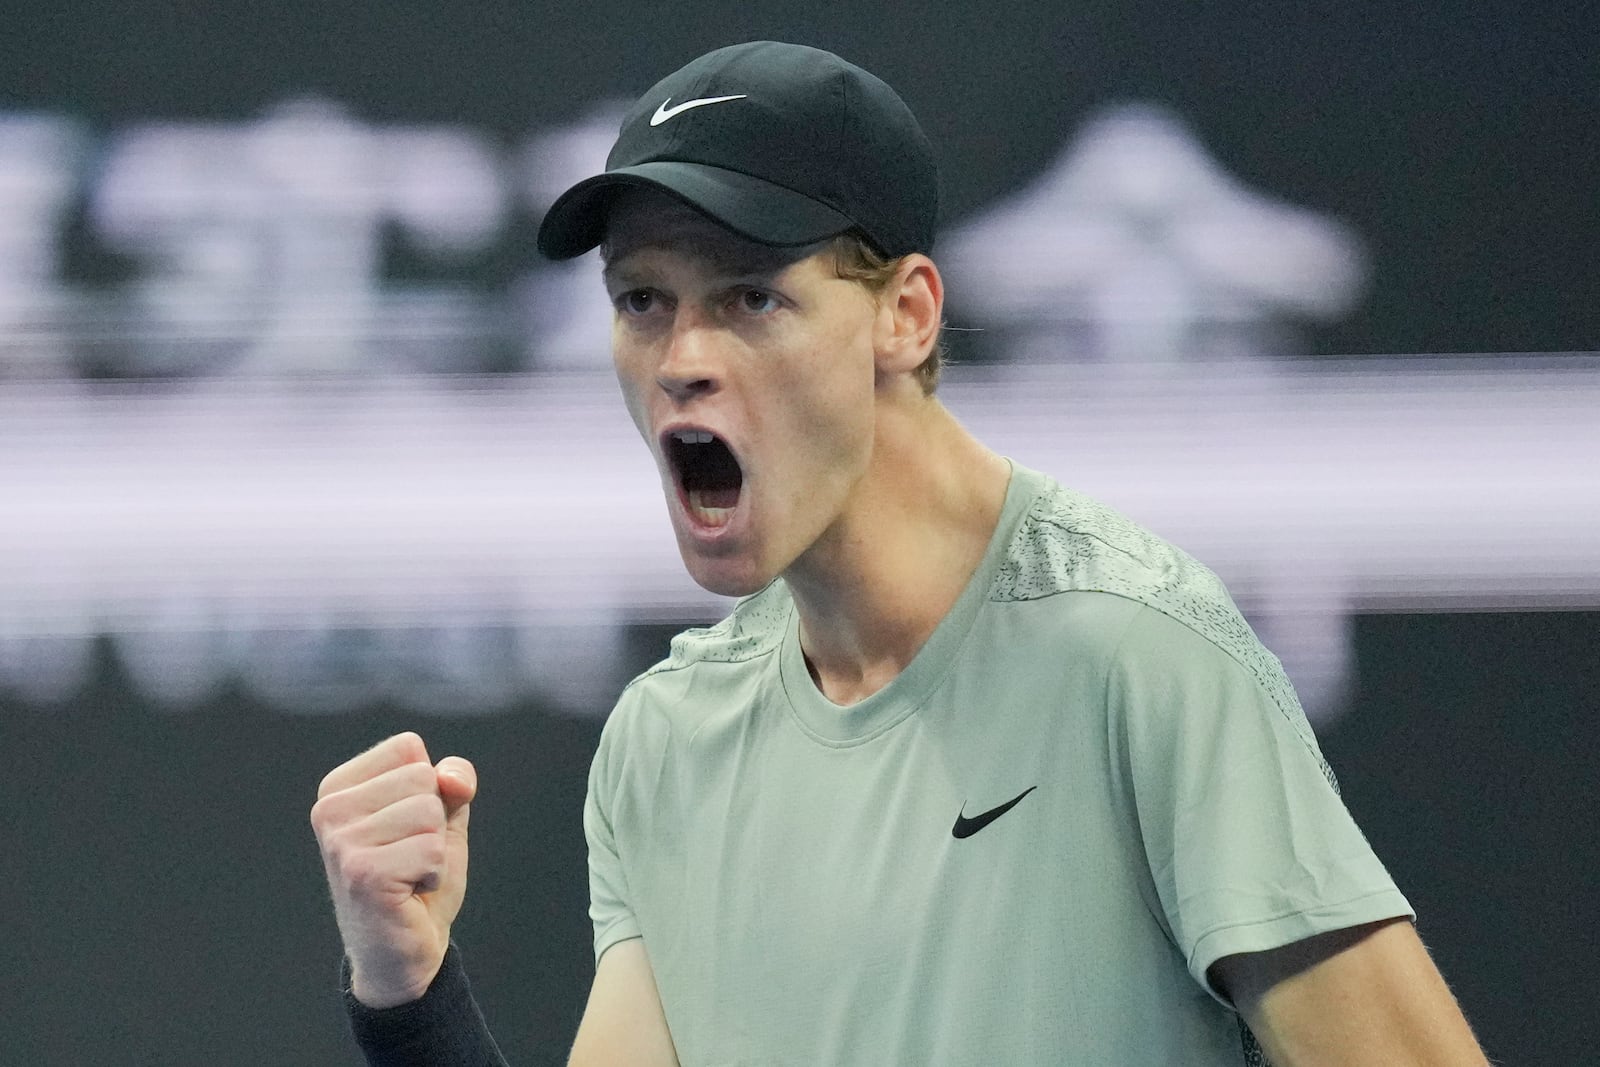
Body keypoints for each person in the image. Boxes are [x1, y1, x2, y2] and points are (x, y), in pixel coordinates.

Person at [310, 41, 1490, 1065]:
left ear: (906, 315)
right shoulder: (668, 739)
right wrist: (411, 994)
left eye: (751, 298)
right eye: (642, 300)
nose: (680, 356)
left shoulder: (1136, 655)